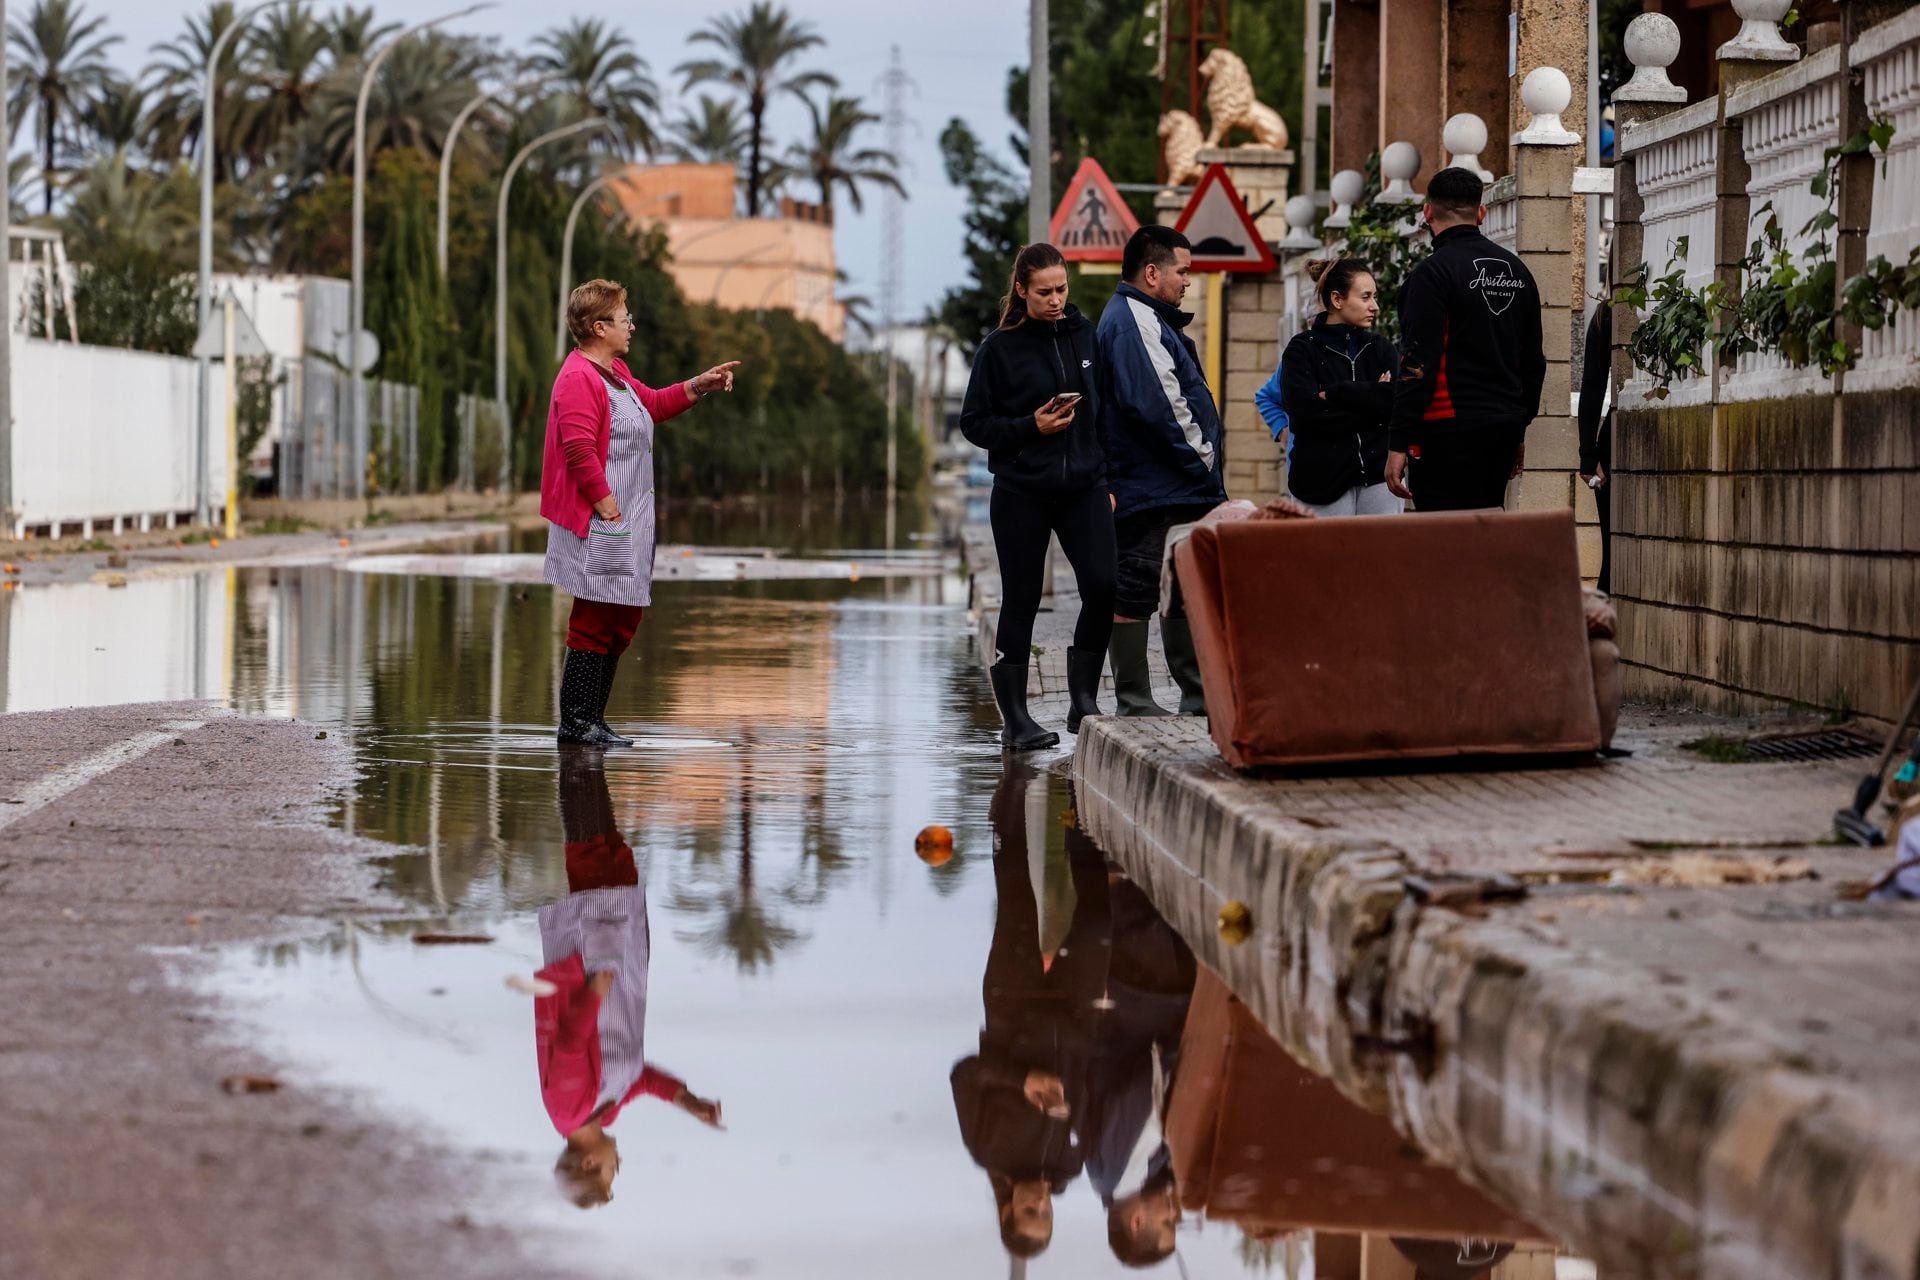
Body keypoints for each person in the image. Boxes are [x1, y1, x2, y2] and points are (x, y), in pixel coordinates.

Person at [542, 278, 740, 747]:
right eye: (623, 317)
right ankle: (575, 722)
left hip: (628, 517)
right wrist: (608, 510)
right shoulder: (578, 378)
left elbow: (651, 404)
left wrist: (700, 384)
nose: (631, 324)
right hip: (601, 518)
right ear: (598, 327)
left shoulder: (616, 373)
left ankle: (594, 718)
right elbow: (578, 451)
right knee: (595, 614)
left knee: (623, 617)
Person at [537, 750, 723, 1207]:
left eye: (610, 1174)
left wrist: (596, 988)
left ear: (588, 1163)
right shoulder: (607, 1109)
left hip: (592, 967)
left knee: (590, 859)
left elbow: (568, 1043)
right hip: (618, 968)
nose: (618, 1165)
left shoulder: (567, 1109)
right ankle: (589, 760)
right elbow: (640, 1078)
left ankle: (577, 756)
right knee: (617, 863)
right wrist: (688, 1101)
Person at [950, 762, 1112, 1260]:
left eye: (1028, 1213)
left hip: (1014, 1006)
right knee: (1096, 912)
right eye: (1046, 1216)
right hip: (1080, 1010)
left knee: (1019, 899)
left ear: (1006, 1211)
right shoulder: (1073, 1161)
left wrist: (1019, 1080)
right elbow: (1089, 1090)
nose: (1040, 1205)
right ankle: (1083, 801)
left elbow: (965, 1075)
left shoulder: (986, 1150)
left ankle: (1012, 791)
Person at [959, 243, 1115, 751]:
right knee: (1021, 601)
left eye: (1061, 289)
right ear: (1022, 290)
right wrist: (1031, 426)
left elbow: (1105, 414)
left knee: (1103, 585)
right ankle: (1017, 722)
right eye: (1043, 291)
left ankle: (1082, 699)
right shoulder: (998, 349)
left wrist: (1108, 479)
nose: (1054, 300)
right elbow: (974, 424)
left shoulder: (1084, 333)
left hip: (1084, 487)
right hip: (1021, 491)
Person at [1096, 226, 1227, 716]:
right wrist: (1204, 460)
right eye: (1183, 271)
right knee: (1138, 586)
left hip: (1169, 484)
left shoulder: (1147, 317)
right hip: (1155, 485)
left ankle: (1194, 697)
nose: (1188, 281)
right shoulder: (1135, 321)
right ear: (1152, 273)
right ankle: (1135, 701)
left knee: (1180, 586)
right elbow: (1158, 404)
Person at [1384, 168, 1546, 512]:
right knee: (1486, 528)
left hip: (1446, 429)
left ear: (1428, 212)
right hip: (1502, 426)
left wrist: (1399, 441)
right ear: (1481, 213)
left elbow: (1416, 362)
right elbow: (1533, 360)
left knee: (1446, 538)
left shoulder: (1431, 275)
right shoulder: (1518, 272)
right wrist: (1519, 427)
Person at [1276, 258, 1401, 516]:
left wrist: (1337, 393)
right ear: (1337, 299)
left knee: (1381, 557)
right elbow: (1304, 415)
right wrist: (1371, 399)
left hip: (1378, 480)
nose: (1375, 306)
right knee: (1326, 557)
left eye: (1374, 297)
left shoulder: (1380, 348)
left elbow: (1396, 403)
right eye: (1365, 297)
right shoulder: (1302, 349)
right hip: (1320, 484)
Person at [1578, 294, 1614, 592]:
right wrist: (1588, 456)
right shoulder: (1607, 317)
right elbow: (1591, 388)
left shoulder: (1605, 315)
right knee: (1614, 555)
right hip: (1611, 445)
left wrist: (1588, 456)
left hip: (1609, 442)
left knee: (1612, 553)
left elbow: (1591, 387)